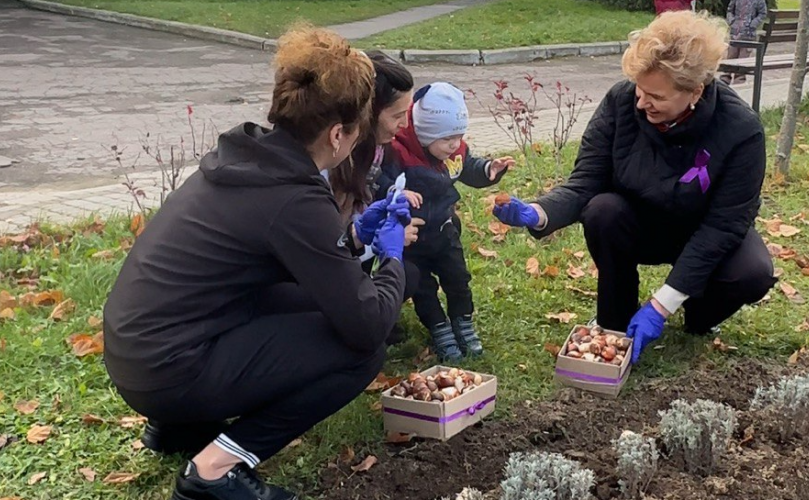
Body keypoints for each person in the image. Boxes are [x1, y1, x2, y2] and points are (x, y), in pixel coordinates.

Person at [102, 26, 411, 500]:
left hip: (138, 351)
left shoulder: (246, 158)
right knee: (362, 350)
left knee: (313, 302)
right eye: (356, 131)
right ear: (336, 134)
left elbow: (290, 265)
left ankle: (180, 427)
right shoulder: (293, 197)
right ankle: (214, 471)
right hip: (168, 369)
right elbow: (367, 322)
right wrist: (392, 258)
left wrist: (352, 238)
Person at [493, 10, 776, 365]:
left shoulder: (741, 131)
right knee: (602, 210)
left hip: (703, 229)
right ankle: (615, 319)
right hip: (639, 224)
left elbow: (724, 226)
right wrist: (538, 212)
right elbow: (587, 182)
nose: (641, 103)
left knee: (752, 273)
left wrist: (661, 306)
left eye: (656, 96)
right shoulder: (622, 102)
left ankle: (698, 315)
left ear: (695, 91)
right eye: (640, 89)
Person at [381, 82, 514, 361]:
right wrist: (395, 192)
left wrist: (488, 170)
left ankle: (462, 321)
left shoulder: (453, 151)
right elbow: (380, 182)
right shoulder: (399, 152)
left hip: (444, 229)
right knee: (423, 288)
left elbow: (467, 167)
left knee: (458, 278)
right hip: (412, 236)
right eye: (447, 139)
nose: (454, 145)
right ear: (424, 133)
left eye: (459, 136)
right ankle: (438, 326)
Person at [328, 51, 423, 343]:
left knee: (410, 274)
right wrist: (376, 242)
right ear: (368, 113)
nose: (405, 125)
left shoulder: (376, 152)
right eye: (397, 116)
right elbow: (326, 249)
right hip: (326, 272)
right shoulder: (333, 164)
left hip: (347, 253)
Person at [721, 0, 768, 84]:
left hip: (748, 34)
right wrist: (731, 20)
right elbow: (730, 10)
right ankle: (726, 76)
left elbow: (762, 13)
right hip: (735, 32)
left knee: (743, 58)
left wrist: (753, 23)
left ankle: (739, 78)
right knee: (731, 55)